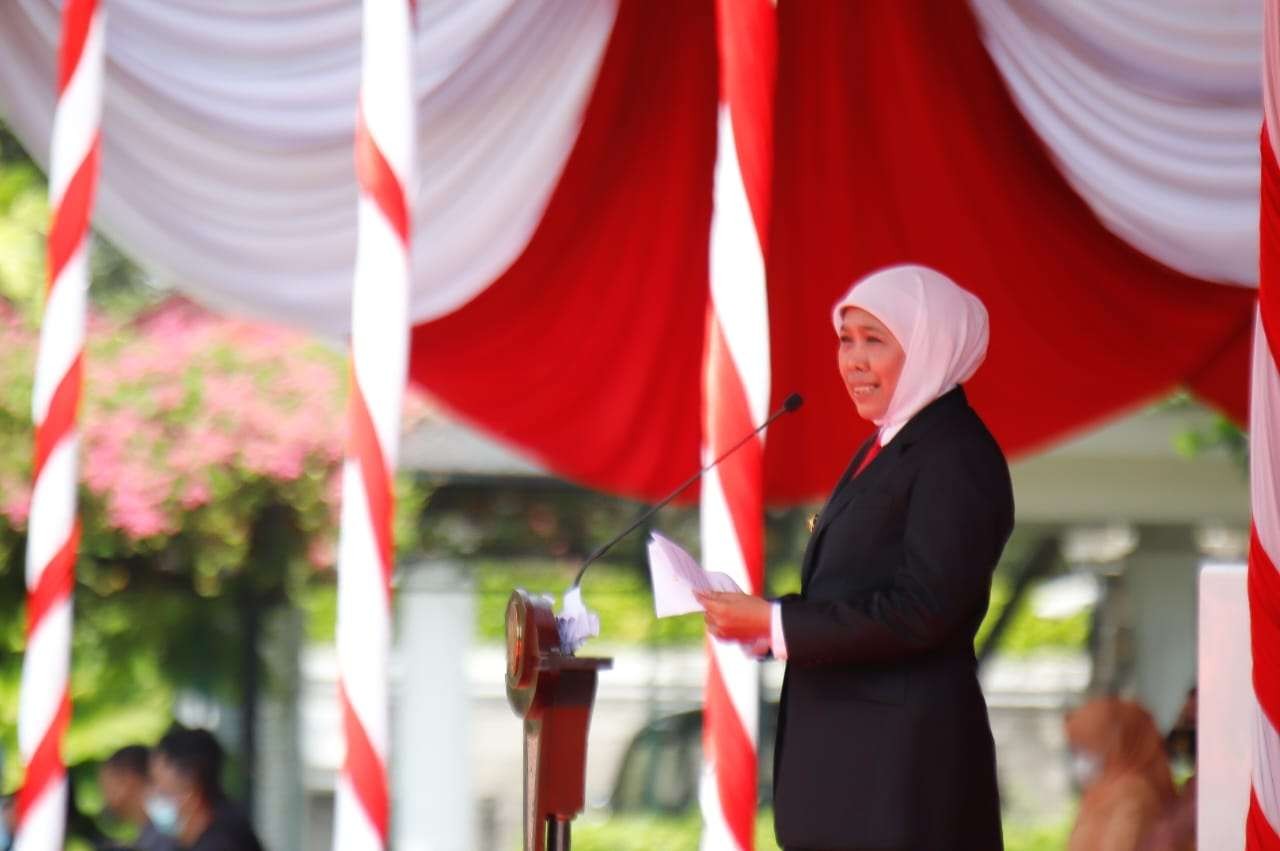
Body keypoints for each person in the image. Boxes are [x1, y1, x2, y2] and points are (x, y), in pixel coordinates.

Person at [698, 264, 1012, 850]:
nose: (853, 361)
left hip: (902, 785)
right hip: (856, 778)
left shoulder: (955, 455)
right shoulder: (888, 444)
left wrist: (776, 622)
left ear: (928, 345)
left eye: (876, 340)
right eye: (846, 340)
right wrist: (768, 626)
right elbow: (853, 595)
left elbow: (923, 611)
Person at [1065, 697, 1176, 851]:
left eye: (1088, 747)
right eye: (1076, 750)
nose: (1081, 759)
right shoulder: (1102, 792)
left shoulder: (1132, 795)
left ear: (1115, 744)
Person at [150, 726, 264, 851]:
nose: (156, 792)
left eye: (164, 790)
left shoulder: (221, 840)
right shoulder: (197, 838)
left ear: (191, 785)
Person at [99, 745, 178, 851]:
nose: (105, 797)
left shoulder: (165, 831)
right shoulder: (155, 832)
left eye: (107, 785)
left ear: (127, 778)